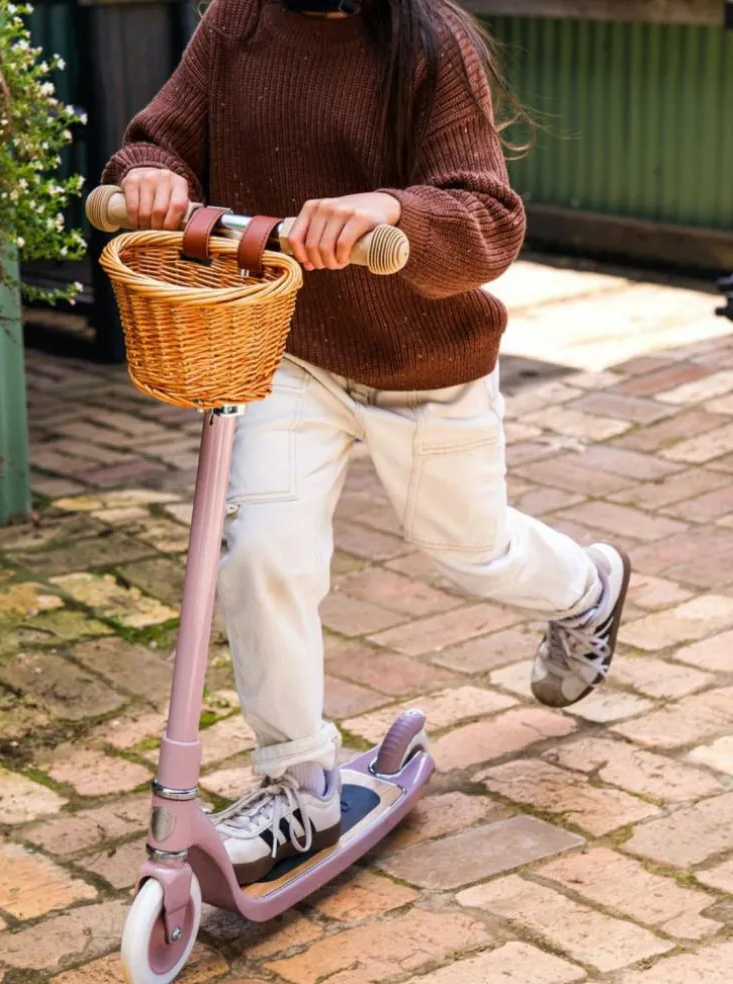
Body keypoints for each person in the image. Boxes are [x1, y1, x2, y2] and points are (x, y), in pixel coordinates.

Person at [102, 0, 630, 887]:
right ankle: (298, 778)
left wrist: (390, 206)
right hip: (291, 351)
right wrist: (152, 174)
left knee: (471, 550)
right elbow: (159, 140)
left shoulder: (432, 41)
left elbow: (489, 220)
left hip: (426, 361)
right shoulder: (237, 23)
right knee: (261, 551)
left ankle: (587, 588)